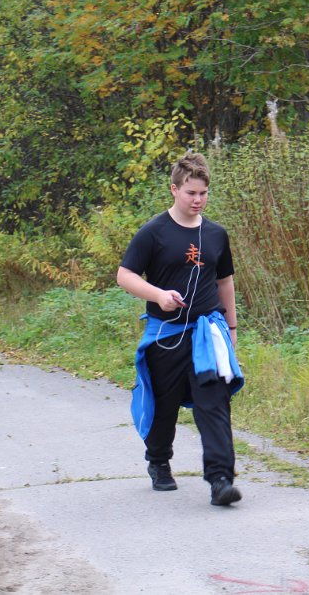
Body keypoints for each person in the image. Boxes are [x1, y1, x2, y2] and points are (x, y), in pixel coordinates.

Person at [116, 151, 245, 506]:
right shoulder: (154, 232)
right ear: (174, 189)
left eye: (203, 193)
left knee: (214, 403)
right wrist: (159, 295)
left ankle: (220, 480)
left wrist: (232, 328)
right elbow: (124, 275)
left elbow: (225, 282)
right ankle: (159, 461)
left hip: (208, 333)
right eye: (191, 193)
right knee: (164, 404)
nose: (197, 200)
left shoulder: (216, 234)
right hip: (167, 336)